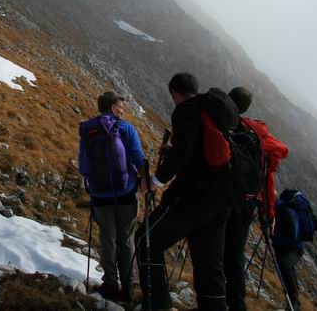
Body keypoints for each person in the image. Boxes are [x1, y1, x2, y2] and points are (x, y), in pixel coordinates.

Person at [137, 73, 231, 311]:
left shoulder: (185, 110)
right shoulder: (210, 110)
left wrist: (156, 181)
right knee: (208, 258)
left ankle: (157, 304)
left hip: (193, 194)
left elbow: (184, 153)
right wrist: (175, 149)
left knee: (147, 239)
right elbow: (198, 149)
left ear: (174, 92)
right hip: (223, 197)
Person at [74, 91, 145, 303]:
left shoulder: (88, 129)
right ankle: (128, 288)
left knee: (108, 239)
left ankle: (111, 284)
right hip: (126, 193)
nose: (123, 112)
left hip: (100, 195)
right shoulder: (126, 129)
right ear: (114, 109)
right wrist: (146, 182)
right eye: (121, 108)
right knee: (126, 239)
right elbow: (138, 160)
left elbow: (84, 166)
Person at [224, 87, 289, 311]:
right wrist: (269, 213)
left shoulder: (225, 125)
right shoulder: (257, 134)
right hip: (246, 203)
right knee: (234, 253)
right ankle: (236, 303)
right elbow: (267, 175)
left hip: (220, 198)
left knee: (213, 248)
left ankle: (213, 300)